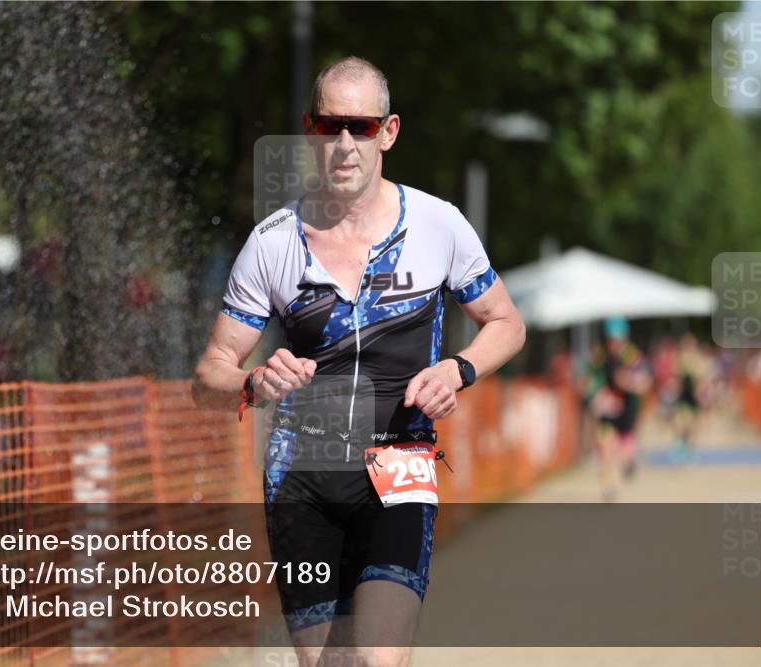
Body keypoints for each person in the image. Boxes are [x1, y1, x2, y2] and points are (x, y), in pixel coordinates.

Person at [192, 56, 525, 666]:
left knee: (376, 657)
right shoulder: (272, 242)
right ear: (309, 131)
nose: (344, 144)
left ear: (388, 133)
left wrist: (457, 369)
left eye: (362, 127)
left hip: (400, 468)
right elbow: (208, 374)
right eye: (330, 126)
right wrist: (253, 380)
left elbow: (507, 323)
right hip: (302, 481)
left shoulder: (437, 225)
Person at [581, 317, 652, 501]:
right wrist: (595, 396)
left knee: (625, 453)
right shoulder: (599, 356)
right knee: (605, 449)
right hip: (608, 413)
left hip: (627, 412)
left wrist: (627, 382)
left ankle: (630, 462)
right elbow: (587, 381)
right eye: (611, 340)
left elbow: (645, 383)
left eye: (618, 340)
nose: (614, 344)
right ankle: (609, 487)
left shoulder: (633, 356)